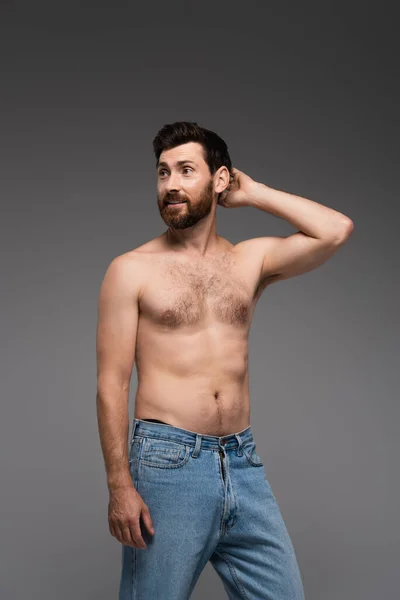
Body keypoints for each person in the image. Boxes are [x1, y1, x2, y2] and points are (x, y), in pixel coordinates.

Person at [96, 121, 353, 600]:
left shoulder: (248, 262)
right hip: (167, 465)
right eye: (163, 173)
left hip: (242, 461)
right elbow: (112, 384)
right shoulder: (130, 270)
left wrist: (255, 193)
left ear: (219, 180)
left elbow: (336, 230)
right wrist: (119, 486)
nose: (170, 184)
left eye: (186, 170)